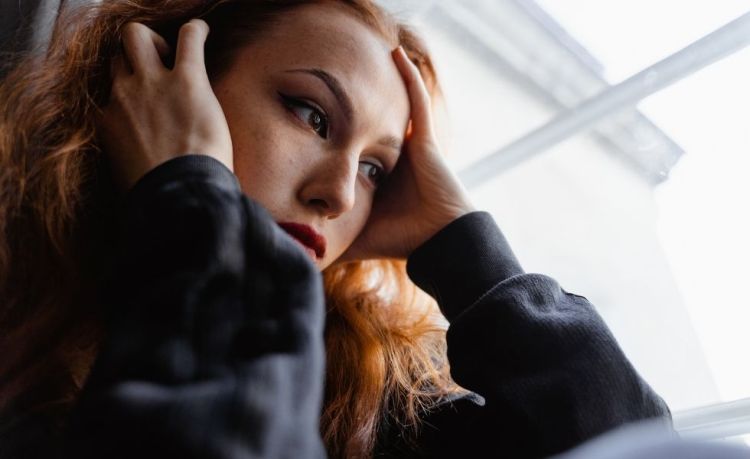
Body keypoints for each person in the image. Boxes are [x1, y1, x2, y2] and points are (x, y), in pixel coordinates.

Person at [0, 0, 671, 457]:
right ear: (174, 84)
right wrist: (194, 193)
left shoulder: (374, 410)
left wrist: (465, 245)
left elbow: (632, 447)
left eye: (376, 169)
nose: (340, 193)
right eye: (312, 115)